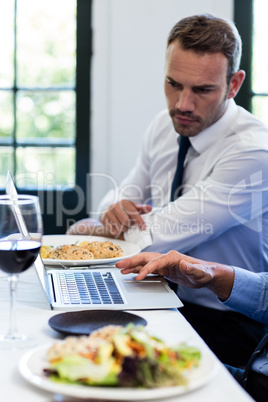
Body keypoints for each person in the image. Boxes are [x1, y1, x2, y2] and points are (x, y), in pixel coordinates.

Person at [67, 14, 268, 366]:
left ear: (234, 85)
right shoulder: (165, 125)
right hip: (158, 296)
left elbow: (157, 237)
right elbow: (120, 194)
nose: (183, 104)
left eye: (202, 90)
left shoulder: (254, 151)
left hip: (229, 324)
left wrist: (93, 226)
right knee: (74, 343)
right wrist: (113, 209)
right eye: (173, 84)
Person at [116, 251, 268, 402]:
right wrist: (212, 274)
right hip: (251, 378)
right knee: (128, 364)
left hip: (234, 334)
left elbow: (153, 239)